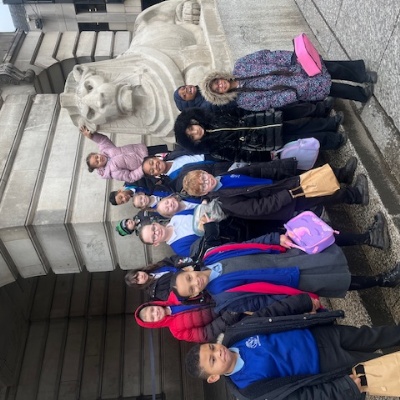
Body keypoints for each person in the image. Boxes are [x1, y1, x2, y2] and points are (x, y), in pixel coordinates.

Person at [185, 294, 400, 400]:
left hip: (320, 335)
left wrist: (303, 303)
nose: (218, 352)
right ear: (213, 377)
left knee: (372, 335)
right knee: (378, 366)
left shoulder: (235, 334)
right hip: (326, 366)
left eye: (212, 347)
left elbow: (270, 314)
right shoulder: (248, 390)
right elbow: (301, 396)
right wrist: (344, 389)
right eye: (213, 360)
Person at [170, 240, 400, 313]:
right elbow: (261, 301)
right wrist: (296, 299)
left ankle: (368, 238)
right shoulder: (223, 299)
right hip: (287, 280)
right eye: (192, 290)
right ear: (195, 295)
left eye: (189, 279)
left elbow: (248, 244)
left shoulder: (212, 255)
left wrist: (274, 239)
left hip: (283, 256)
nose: (195, 283)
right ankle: (383, 280)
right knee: (335, 280)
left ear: (189, 270)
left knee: (325, 251)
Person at [181, 160, 369, 221]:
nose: (206, 181)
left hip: (276, 185)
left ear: (203, 172)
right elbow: (258, 208)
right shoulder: (226, 201)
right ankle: (356, 196)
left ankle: (341, 176)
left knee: (312, 179)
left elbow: (251, 172)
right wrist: (285, 196)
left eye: (202, 177)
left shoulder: (222, 177)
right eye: (202, 186)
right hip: (283, 199)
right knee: (317, 195)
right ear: (203, 194)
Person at [200, 49, 377, 111]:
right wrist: (293, 94)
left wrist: (290, 58)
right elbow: (268, 103)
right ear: (221, 95)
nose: (220, 85)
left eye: (217, 82)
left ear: (219, 76)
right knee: (331, 88)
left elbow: (265, 56)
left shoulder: (241, 65)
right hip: (294, 88)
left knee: (331, 68)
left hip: (293, 68)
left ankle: (361, 74)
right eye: (218, 89)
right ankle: (361, 94)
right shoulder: (243, 101)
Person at [174, 107, 346, 162]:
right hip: (266, 141)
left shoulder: (211, 116)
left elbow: (238, 110)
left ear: (193, 122)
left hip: (266, 121)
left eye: (191, 128)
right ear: (195, 142)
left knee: (302, 124)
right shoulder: (215, 148)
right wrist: (265, 156)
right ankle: (335, 140)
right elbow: (241, 156)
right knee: (303, 140)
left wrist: (261, 111)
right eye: (192, 136)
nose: (195, 132)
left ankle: (331, 123)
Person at [135, 299, 242, 342]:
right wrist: (230, 315)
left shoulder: (174, 295)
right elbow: (205, 334)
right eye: (152, 318)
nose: (155, 313)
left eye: (152, 310)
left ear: (153, 304)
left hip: (226, 297)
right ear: (154, 324)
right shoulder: (176, 331)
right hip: (232, 315)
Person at [80, 126, 148, 182]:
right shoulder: (113, 172)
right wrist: (143, 168)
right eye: (97, 162)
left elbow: (102, 140)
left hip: (142, 150)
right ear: (98, 167)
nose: (99, 159)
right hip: (146, 163)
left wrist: (91, 136)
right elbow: (130, 177)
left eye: (97, 157)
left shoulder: (106, 150)